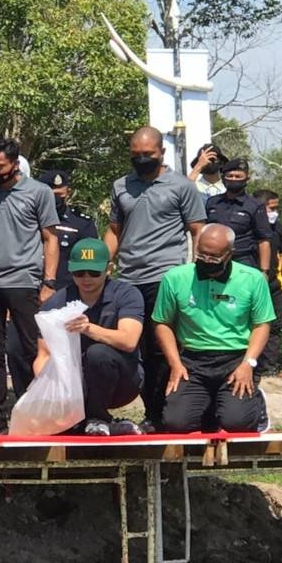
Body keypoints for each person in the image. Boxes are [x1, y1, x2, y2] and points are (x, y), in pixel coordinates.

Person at [104, 125, 205, 431]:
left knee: (163, 349)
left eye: (148, 154)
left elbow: (198, 229)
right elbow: (114, 231)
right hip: (129, 277)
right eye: (136, 155)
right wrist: (102, 262)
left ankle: (166, 413)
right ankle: (150, 412)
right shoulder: (121, 186)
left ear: (161, 152)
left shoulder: (181, 186)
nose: (142, 159)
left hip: (166, 277)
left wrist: (195, 271)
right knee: (137, 349)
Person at [0, 138, 60, 435]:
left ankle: (36, 410)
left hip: (24, 281)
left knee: (32, 348)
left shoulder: (39, 192)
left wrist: (49, 282)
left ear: (15, 165)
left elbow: (50, 239)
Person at [152, 225, 273, 433]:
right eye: (202, 255)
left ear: (229, 254)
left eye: (214, 257)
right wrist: (175, 363)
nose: (207, 261)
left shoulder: (252, 279)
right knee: (176, 423)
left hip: (236, 358)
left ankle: (255, 404)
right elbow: (162, 322)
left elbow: (262, 324)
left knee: (237, 423)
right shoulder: (175, 278)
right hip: (193, 359)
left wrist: (248, 363)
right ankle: (208, 409)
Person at [34, 238, 144, 436]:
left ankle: (98, 417)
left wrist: (89, 329)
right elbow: (43, 354)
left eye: (94, 272)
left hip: (123, 379)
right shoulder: (57, 301)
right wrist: (46, 391)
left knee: (98, 353)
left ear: (109, 269)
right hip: (76, 381)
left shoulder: (127, 294)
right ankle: (98, 422)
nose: (86, 278)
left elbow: (129, 340)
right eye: (79, 272)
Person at [7, 168, 98, 396]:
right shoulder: (24, 219)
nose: (58, 197)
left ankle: (69, 398)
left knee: (66, 351)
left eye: (61, 193)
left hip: (66, 299)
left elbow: (90, 263)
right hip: (26, 293)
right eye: (52, 193)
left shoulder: (81, 223)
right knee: (17, 348)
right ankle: (26, 399)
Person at [251, 189, 282, 375]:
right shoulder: (245, 227)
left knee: (274, 327)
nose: (274, 213)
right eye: (271, 208)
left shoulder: (277, 227)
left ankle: (269, 368)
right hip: (250, 286)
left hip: (274, 286)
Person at [204, 158, 271, 271]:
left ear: (247, 179)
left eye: (238, 176)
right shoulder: (212, 203)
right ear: (223, 178)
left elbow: (263, 240)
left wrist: (264, 271)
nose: (233, 179)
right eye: (230, 176)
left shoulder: (255, 205)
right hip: (214, 261)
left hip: (243, 260)